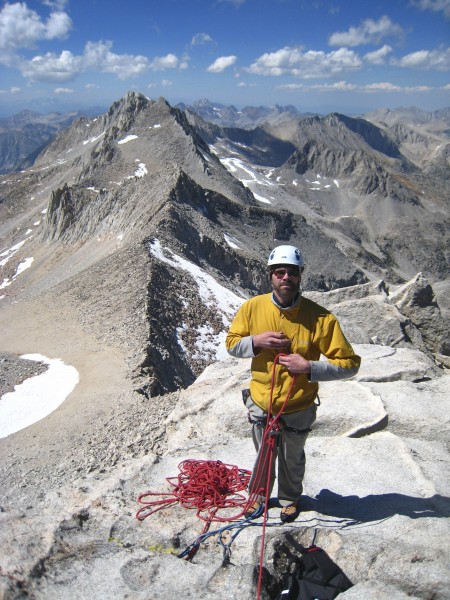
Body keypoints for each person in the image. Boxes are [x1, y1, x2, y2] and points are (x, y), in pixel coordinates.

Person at [225, 245, 361, 523]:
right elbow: (231, 344)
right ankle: (259, 497)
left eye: (292, 273)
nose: (286, 277)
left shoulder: (320, 318)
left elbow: (350, 364)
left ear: (300, 276)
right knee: (263, 455)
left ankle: (289, 500)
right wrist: (256, 342)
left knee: (292, 459)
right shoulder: (252, 308)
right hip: (262, 401)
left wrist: (309, 367)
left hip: (298, 405)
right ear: (271, 277)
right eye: (280, 272)